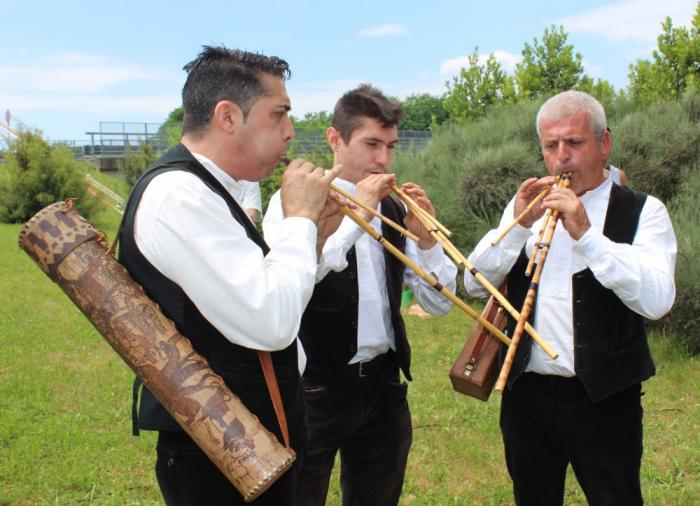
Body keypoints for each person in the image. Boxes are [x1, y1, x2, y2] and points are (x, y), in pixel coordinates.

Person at [118, 46, 344, 505]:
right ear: (227, 117)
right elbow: (271, 321)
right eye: (278, 115)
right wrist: (298, 220)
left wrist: (314, 239)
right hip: (221, 460)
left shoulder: (209, 190)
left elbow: (263, 288)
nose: (289, 132)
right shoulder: (178, 196)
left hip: (251, 441)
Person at [464, 90, 676, 505]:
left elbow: (657, 300)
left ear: (604, 144)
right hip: (528, 395)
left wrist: (587, 236)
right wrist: (518, 226)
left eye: (574, 143)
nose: (562, 157)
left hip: (606, 397)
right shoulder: (528, 204)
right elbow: (474, 283)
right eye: (550, 145)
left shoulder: (644, 212)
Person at [263, 84, 458, 506]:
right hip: (315, 388)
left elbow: (439, 304)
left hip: (384, 386)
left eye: (390, 146)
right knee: (300, 496)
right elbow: (291, 281)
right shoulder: (293, 200)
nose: (383, 159)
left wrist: (428, 244)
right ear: (336, 139)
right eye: (371, 144)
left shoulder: (394, 208)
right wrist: (359, 213)